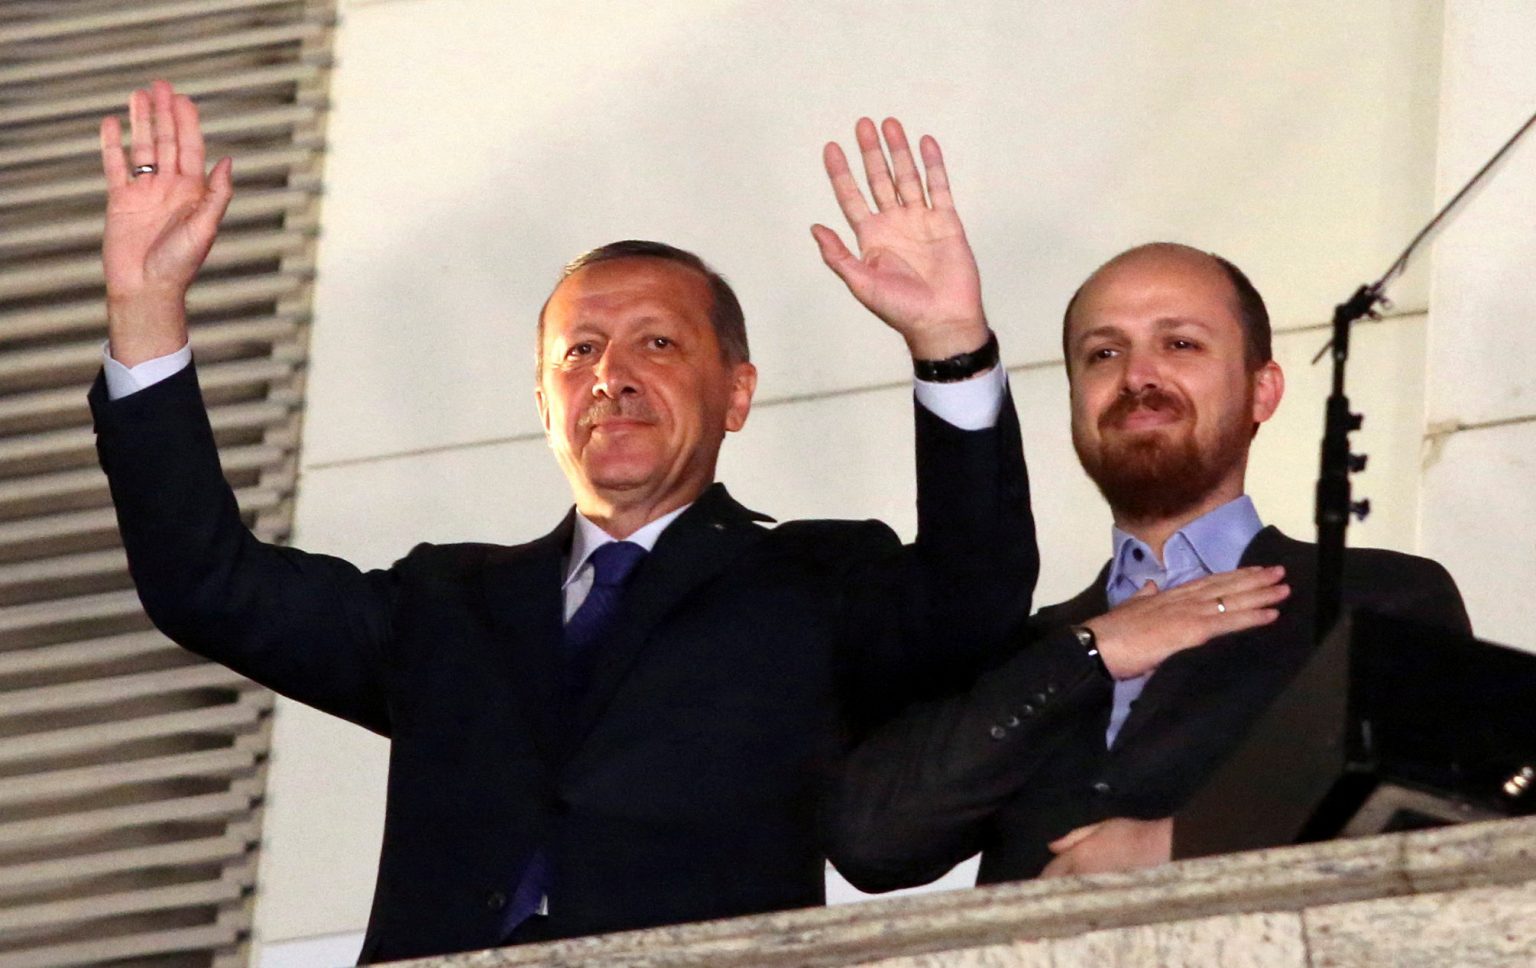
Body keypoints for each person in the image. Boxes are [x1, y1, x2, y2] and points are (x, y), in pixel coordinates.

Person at [91, 83, 1036, 962]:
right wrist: (145, 306)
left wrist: (949, 344)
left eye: (657, 343)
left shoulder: (813, 581)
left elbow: (976, 597)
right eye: (579, 351)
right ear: (545, 405)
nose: (611, 376)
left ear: (737, 392)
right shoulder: (444, 602)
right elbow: (205, 584)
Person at [829, 242, 1471, 892]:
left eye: (1181, 344)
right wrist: (1093, 651)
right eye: (1103, 354)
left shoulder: (1376, 595)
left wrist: (1183, 844)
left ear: (1263, 390)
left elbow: (1445, 814)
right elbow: (871, 841)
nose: (1138, 377)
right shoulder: (1025, 648)